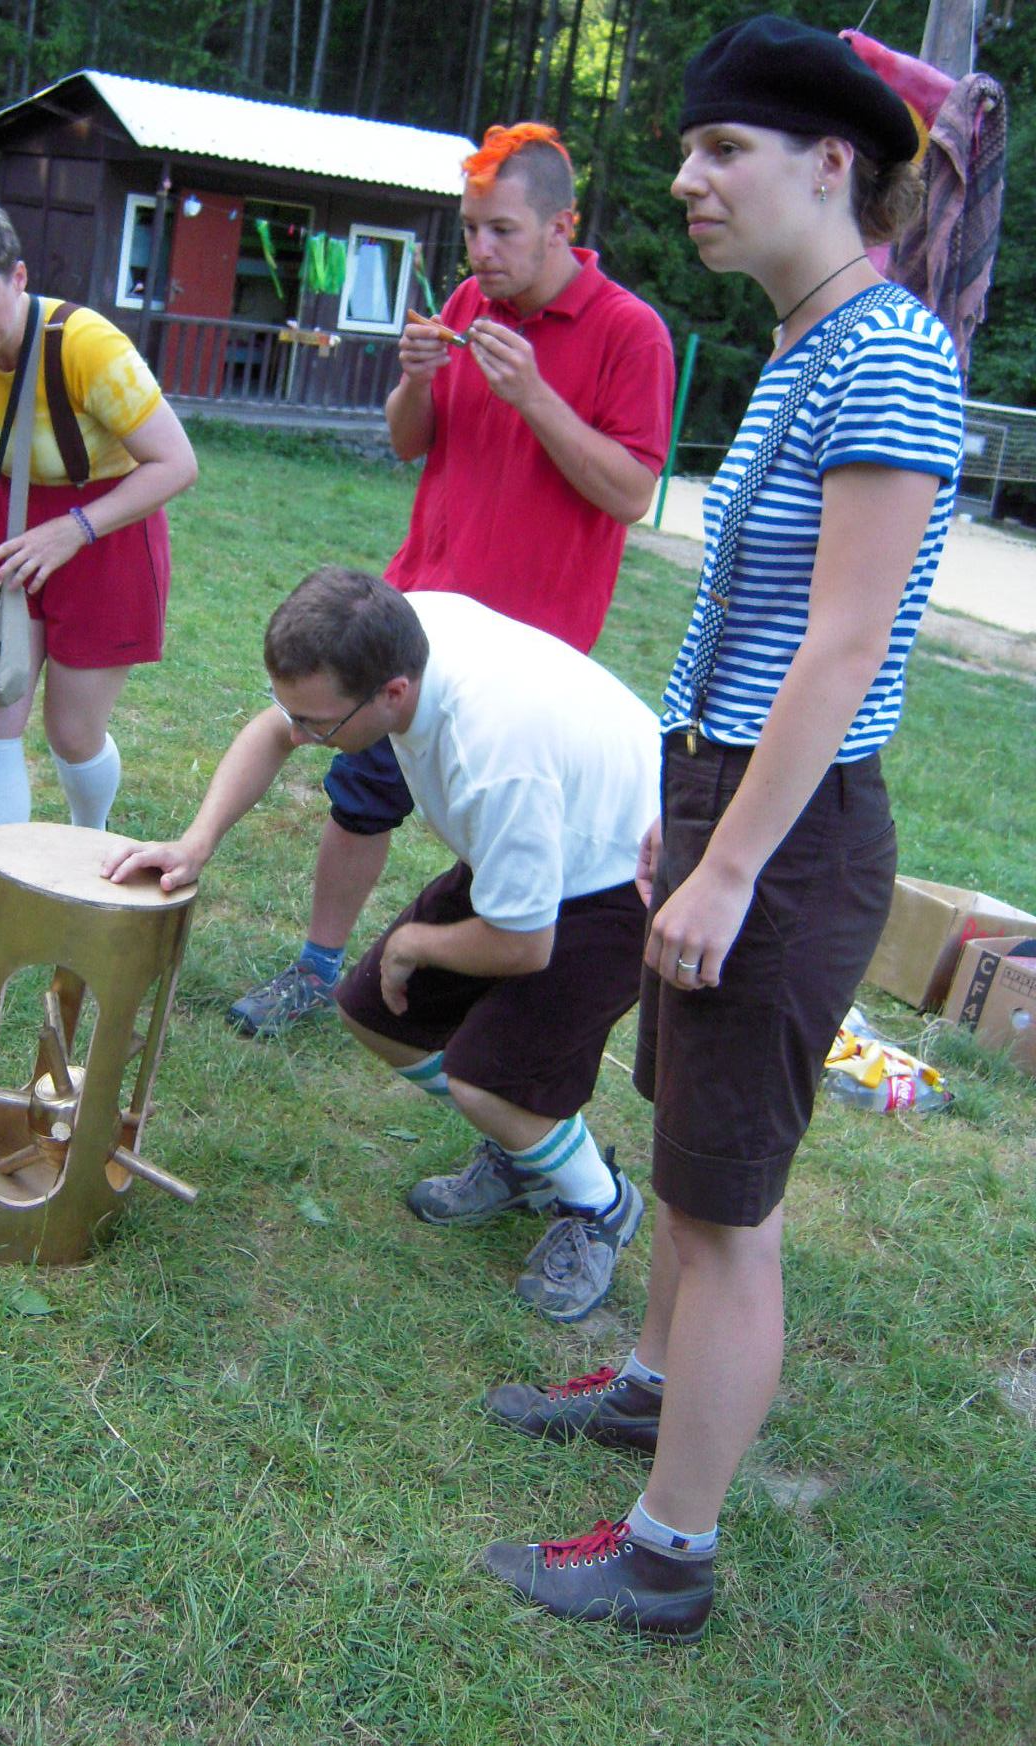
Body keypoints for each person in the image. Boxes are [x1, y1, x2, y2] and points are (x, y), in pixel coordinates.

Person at [480, 15, 964, 1642]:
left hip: (791, 825)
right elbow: (747, 623)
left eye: (720, 149)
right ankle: (645, 1387)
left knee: (726, 1207)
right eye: (690, 148)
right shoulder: (807, 342)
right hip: (723, 794)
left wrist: (735, 858)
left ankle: (668, 1557)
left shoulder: (888, 350)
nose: (685, 178)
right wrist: (674, 812)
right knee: (689, 1151)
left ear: (830, 163)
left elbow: (844, 644)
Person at [104, 568, 662, 1322]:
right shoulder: (393, 638)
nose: (301, 736)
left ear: (393, 694)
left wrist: (416, 945)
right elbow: (274, 729)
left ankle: (599, 1204)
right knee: (374, 1013)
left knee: (489, 1082)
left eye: (317, 724)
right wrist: (195, 844)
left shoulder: (494, 757)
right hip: (540, 842)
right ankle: (528, 1155)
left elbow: (525, 945)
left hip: (624, 875)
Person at [228, 122, 674, 1040]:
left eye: (501, 230)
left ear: (561, 227)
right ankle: (317, 969)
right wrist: (414, 383)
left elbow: (631, 492)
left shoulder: (630, 332)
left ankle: (489, 999)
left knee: (496, 834)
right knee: (360, 795)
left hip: (522, 648)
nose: (479, 251)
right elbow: (409, 443)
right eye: (471, 229)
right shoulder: (472, 302)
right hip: (414, 611)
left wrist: (535, 397)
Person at [0, 201, 198, 967]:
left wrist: (77, 529)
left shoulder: (87, 345)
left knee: (73, 733)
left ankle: (86, 850)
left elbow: (177, 463)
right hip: (7, 525)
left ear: (18, 277)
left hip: (109, 530)